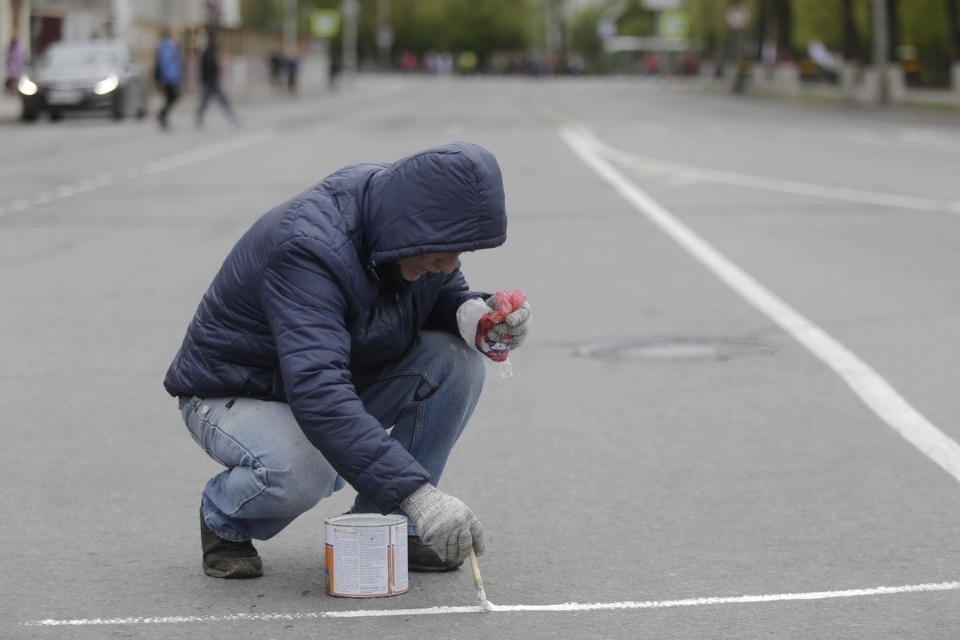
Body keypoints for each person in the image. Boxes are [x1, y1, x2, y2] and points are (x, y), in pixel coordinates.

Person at [163, 141, 532, 579]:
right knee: (306, 468)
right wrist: (418, 493)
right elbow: (319, 391)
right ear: (411, 227)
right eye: (444, 249)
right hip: (235, 392)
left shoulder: (407, 226)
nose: (450, 264)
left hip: (317, 380)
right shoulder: (308, 250)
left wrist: (477, 319)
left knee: (456, 360)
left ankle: (387, 525)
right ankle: (224, 517)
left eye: (460, 250)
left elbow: (440, 297)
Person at [195, 29, 239, 128]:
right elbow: (209, 65)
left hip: (213, 79)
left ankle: (199, 119)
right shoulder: (208, 50)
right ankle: (233, 118)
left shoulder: (214, 49)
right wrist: (220, 64)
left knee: (206, 101)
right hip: (211, 80)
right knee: (222, 100)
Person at [154, 28, 183, 130]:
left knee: (170, 98)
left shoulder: (172, 46)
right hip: (169, 77)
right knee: (173, 97)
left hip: (173, 76)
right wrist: (169, 76)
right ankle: (162, 115)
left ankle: (163, 117)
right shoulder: (166, 46)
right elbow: (165, 63)